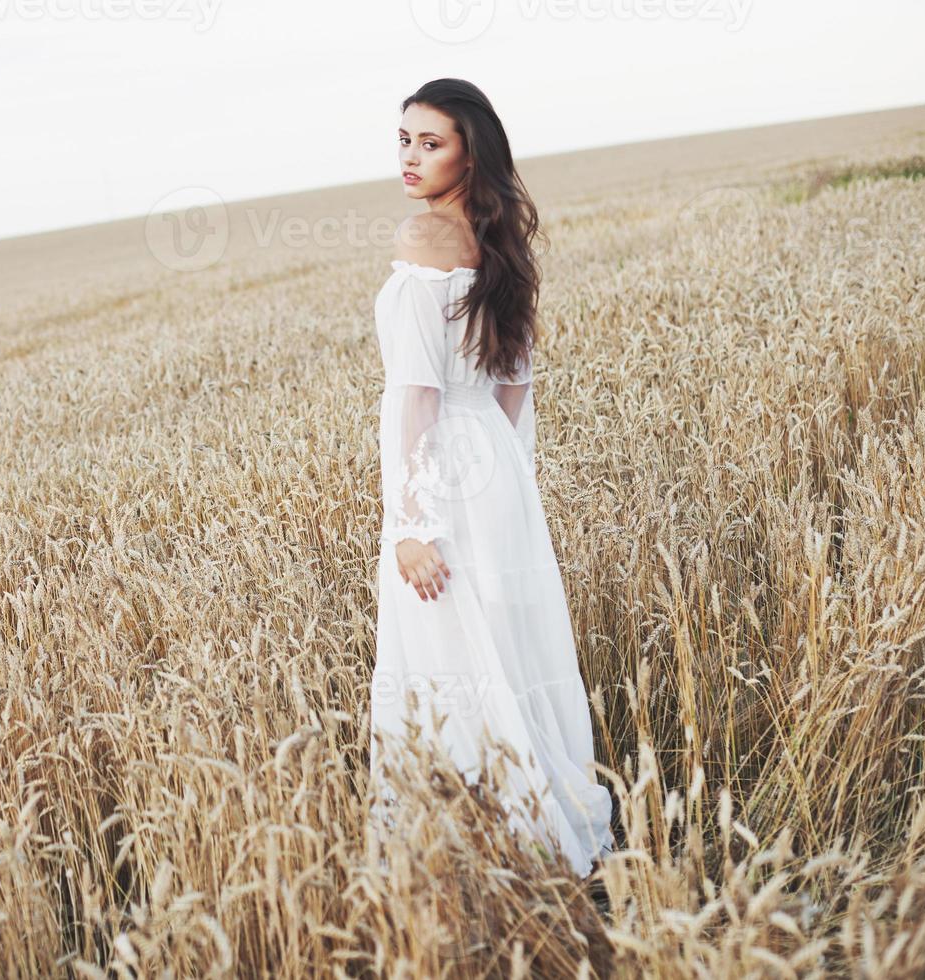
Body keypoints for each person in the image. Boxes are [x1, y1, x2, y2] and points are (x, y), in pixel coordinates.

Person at [368, 78, 615, 878]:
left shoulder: (421, 238)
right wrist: (492, 476)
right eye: (404, 138)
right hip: (495, 474)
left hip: (437, 479)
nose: (410, 157)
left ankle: (478, 857)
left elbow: (416, 397)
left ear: (470, 149)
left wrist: (413, 524)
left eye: (430, 142)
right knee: (507, 649)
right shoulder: (502, 240)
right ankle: (543, 837)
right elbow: (513, 383)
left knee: (450, 659)